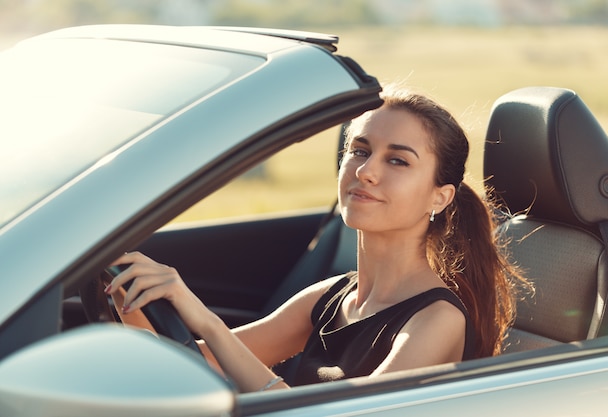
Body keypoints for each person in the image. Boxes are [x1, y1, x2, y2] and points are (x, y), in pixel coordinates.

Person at [105, 86, 529, 392]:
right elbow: (201, 366)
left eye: (397, 160)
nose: (366, 171)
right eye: (359, 151)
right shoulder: (331, 297)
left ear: (439, 196)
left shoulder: (436, 321)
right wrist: (131, 298)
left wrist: (207, 320)